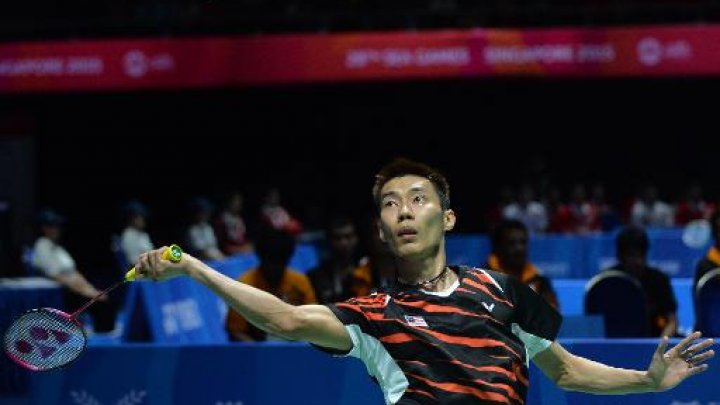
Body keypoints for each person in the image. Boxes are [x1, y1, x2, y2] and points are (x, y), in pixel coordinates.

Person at [135, 158, 714, 404]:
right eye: (391, 205)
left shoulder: (505, 292)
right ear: (383, 231)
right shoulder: (371, 315)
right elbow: (285, 319)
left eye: (418, 199)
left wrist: (648, 381)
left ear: (448, 218)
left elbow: (565, 371)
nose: (405, 211)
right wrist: (192, 264)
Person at [31, 209, 116, 332]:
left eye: (57, 226)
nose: (56, 229)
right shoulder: (42, 246)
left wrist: (92, 290)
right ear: (44, 228)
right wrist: (88, 294)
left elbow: (74, 273)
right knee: (102, 306)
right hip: (63, 293)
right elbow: (57, 276)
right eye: (52, 226)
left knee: (104, 298)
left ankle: (103, 335)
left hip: (75, 289)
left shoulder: (59, 248)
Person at [225, 229, 316, 341]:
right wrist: (263, 353)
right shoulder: (244, 286)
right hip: (257, 349)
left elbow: (313, 323)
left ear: (288, 257)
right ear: (260, 256)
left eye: (281, 261)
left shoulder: (300, 282)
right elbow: (235, 331)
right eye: (272, 261)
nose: (276, 268)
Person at [603, 226, 679, 337]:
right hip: (613, 343)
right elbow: (594, 325)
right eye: (630, 255)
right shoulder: (606, 281)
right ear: (620, 256)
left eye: (640, 255)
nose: (636, 261)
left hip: (653, 341)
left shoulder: (659, 280)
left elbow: (672, 322)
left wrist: (661, 345)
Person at [486, 219, 559, 309]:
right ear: (497, 247)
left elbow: (553, 315)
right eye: (511, 243)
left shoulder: (539, 281)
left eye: (523, 242)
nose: (519, 248)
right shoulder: (482, 280)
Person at [307, 217, 372, 304]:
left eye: (348, 237)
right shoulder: (316, 275)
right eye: (338, 238)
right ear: (329, 240)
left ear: (356, 238)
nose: (343, 243)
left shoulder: (369, 270)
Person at [120, 200, 154, 265]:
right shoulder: (128, 235)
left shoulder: (143, 234)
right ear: (131, 219)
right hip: (141, 271)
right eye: (139, 217)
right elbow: (133, 261)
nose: (142, 220)